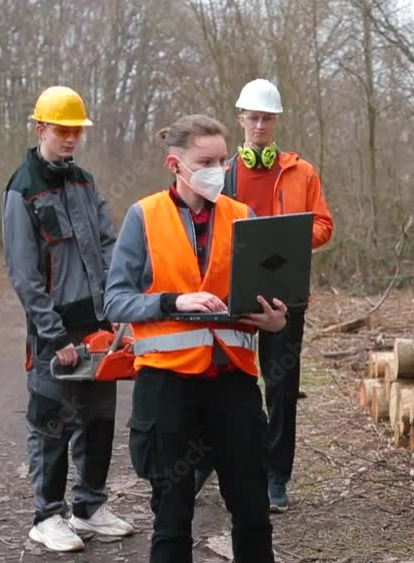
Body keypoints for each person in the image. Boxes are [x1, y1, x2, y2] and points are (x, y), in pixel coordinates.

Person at [104, 114, 286, 563]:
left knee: (252, 509)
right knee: (172, 515)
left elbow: (264, 297)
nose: (219, 170)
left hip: (233, 383)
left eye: (223, 160)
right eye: (206, 161)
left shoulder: (243, 216)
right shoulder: (143, 216)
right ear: (175, 163)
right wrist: (172, 302)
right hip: (167, 387)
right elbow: (114, 302)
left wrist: (275, 320)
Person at [2, 86, 134, 552]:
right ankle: (47, 515)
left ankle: (89, 507)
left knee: (99, 418)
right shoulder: (22, 189)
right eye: (62, 130)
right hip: (53, 331)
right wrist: (52, 332)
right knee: (51, 420)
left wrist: (119, 309)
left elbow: (108, 244)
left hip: (97, 324)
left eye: (76, 130)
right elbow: (23, 272)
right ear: (41, 128)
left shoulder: (84, 182)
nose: (70, 138)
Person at [195, 78, 333, 513]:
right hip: (231, 295)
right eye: (252, 117)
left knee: (281, 388)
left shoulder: (301, 172)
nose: (259, 125)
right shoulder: (223, 174)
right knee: (220, 384)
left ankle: (276, 477)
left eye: (266, 118)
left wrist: (288, 240)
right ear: (241, 120)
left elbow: (324, 225)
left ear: (275, 123)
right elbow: (204, 228)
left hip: (286, 296)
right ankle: (204, 465)